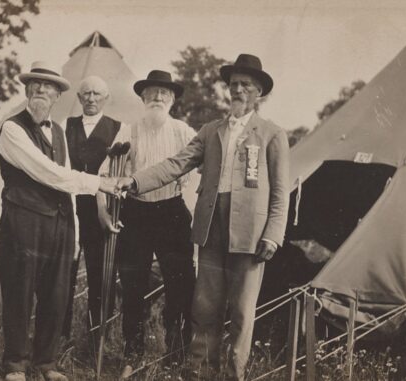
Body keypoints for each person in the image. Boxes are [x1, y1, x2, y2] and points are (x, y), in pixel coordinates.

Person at [117, 54, 290, 380]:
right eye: (233, 84)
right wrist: (136, 181)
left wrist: (273, 234)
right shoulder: (212, 131)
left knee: (241, 310)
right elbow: (176, 163)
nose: (237, 90)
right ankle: (198, 369)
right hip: (211, 227)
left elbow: (281, 192)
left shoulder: (271, 134)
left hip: (251, 232)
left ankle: (232, 373)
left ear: (259, 93)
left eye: (245, 85)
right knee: (205, 306)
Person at [0, 61, 119, 381]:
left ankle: (46, 363)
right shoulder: (11, 129)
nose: (40, 91)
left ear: (57, 95)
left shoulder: (61, 133)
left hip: (60, 225)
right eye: (35, 85)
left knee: (56, 294)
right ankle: (15, 364)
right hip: (23, 222)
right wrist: (97, 183)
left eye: (47, 87)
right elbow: (46, 172)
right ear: (26, 91)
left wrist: (74, 233)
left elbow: (66, 190)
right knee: (19, 292)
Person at [97, 70, 196, 372]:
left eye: (164, 93)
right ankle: (133, 353)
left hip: (172, 212)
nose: (157, 98)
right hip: (136, 213)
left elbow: (202, 174)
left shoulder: (184, 132)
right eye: (152, 93)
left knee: (181, 286)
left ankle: (176, 353)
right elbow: (105, 174)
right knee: (132, 286)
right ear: (142, 98)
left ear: (173, 99)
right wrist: (102, 209)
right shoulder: (130, 130)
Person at [63, 76, 121, 345]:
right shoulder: (66, 127)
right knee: (64, 273)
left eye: (97, 93)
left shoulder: (118, 129)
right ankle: (58, 336)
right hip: (69, 207)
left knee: (100, 275)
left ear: (106, 98)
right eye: (86, 93)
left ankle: (97, 338)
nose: (91, 98)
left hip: (101, 211)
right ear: (78, 97)